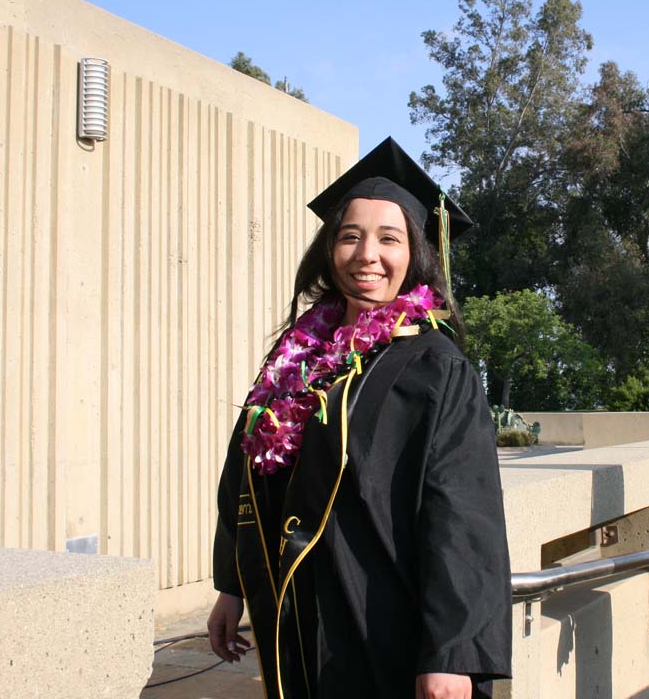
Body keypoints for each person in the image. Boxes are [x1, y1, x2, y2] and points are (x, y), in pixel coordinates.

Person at [208, 138, 512, 699]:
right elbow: (244, 475)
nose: (367, 254)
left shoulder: (437, 369)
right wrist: (231, 583)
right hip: (294, 618)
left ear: (416, 253)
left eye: (388, 238)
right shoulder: (293, 360)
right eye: (350, 236)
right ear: (329, 249)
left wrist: (452, 653)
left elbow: (464, 519)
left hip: (386, 626)